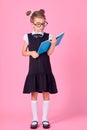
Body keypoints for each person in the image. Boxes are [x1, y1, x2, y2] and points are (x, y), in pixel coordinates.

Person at [22, 9, 58, 129]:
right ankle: (35, 119)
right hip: (34, 71)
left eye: (43, 24)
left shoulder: (49, 36)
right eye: (38, 24)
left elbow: (49, 53)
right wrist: (31, 52)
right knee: (34, 94)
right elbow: (23, 52)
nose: (41, 26)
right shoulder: (27, 37)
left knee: (46, 93)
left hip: (46, 70)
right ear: (32, 24)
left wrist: (53, 44)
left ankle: (45, 119)